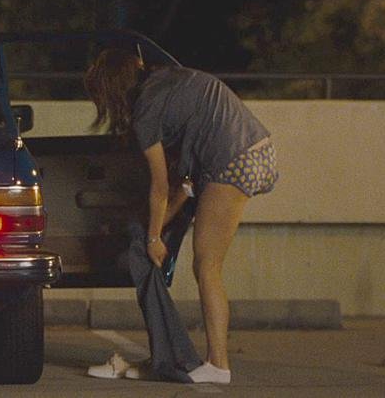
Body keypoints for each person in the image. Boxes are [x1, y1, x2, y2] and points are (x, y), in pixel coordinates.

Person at [82, 48, 278, 384]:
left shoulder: (145, 114)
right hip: (257, 151)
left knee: (207, 266)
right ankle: (169, 355)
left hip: (232, 161)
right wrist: (156, 231)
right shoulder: (169, 79)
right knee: (203, 264)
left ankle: (218, 364)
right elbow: (183, 187)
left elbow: (160, 186)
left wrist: (153, 237)